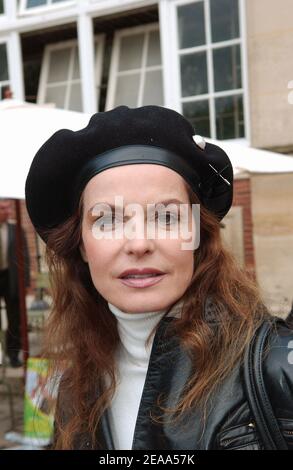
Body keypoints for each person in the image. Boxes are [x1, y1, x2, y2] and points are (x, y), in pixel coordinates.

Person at [24, 105, 293, 450]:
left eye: (166, 216)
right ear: (82, 246)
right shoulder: (72, 391)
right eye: (107, 220)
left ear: (197, 237)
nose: (139, 243)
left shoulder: (276, 367)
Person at [0, 199, 31, 367]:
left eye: (8, 208)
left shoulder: (17, 230)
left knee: (14, 319)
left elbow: (24, 257)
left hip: (11, 279)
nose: (7, 211)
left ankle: (13, 355)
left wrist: (25, 283)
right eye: (3, 208)